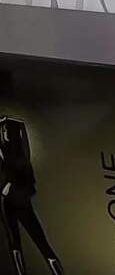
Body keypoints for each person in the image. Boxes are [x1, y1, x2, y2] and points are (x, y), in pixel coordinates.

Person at [0, 117, 65, 275]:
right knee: (13, 241)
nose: (4, 132)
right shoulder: (4, 144)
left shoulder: (18, 138)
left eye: (6, 129)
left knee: (39, 240)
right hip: (5, 200)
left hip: (19, 197)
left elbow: (23, 162)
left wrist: (10, 183)